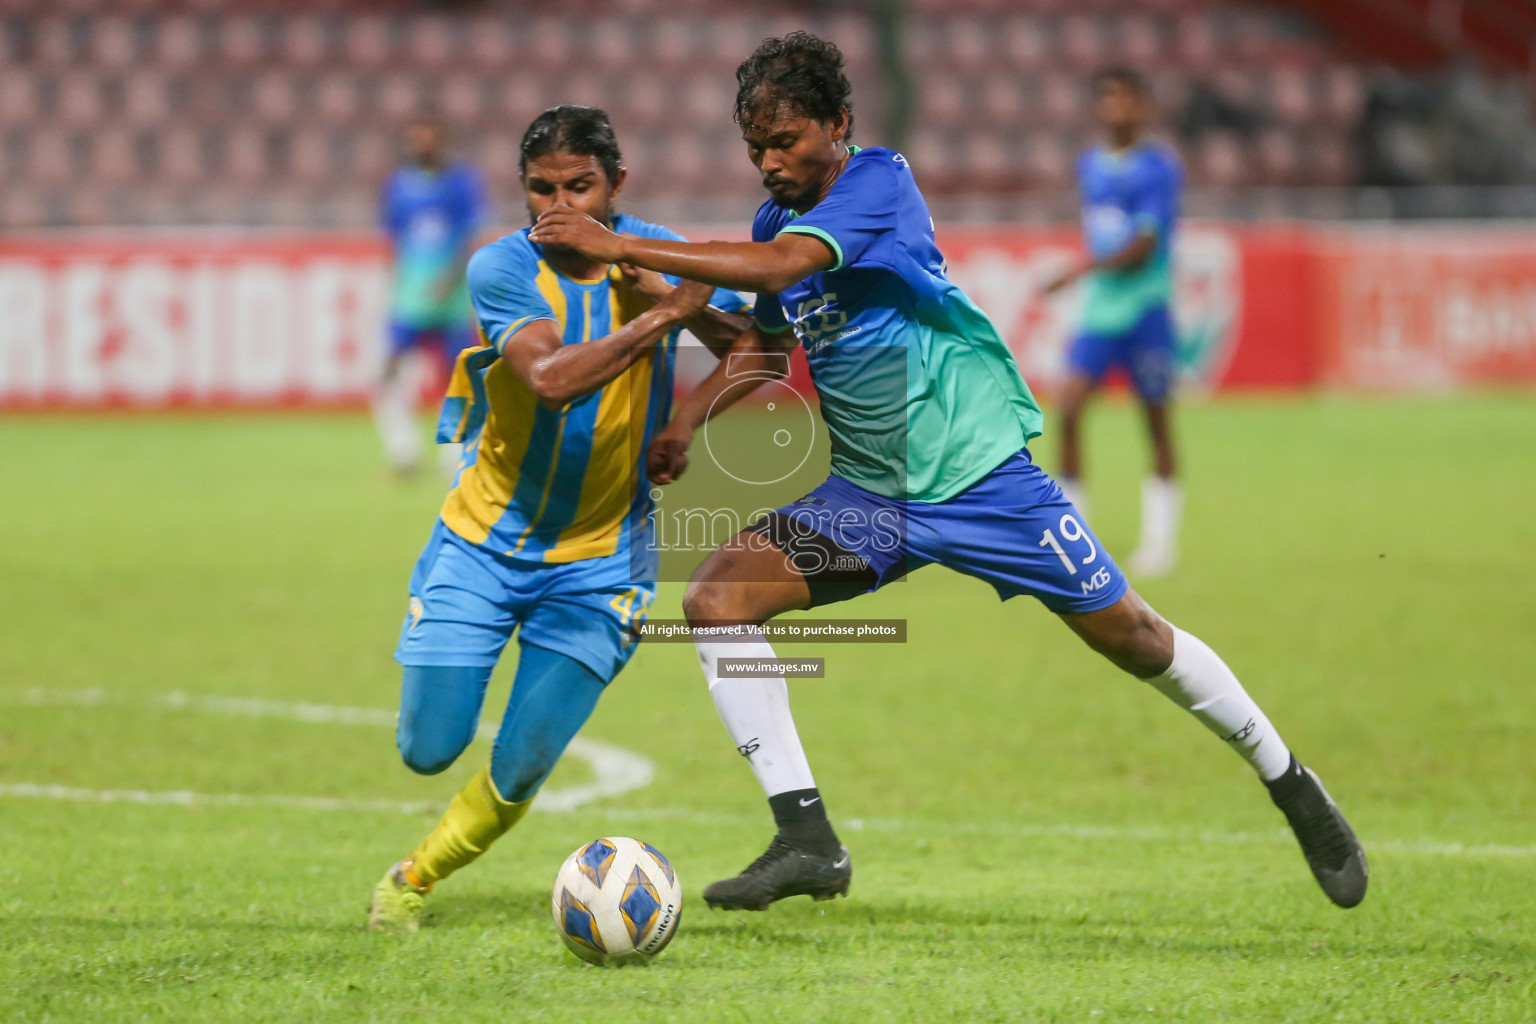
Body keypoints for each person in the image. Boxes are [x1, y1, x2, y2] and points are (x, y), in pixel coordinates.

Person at [530, 34, 1368, 913]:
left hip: (976, 480)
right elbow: (772, 342)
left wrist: (624, 248)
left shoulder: (878, 184)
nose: (770, 163)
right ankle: (806, 839)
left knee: (1137, 639)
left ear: (837, 124)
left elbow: (780, 270)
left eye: (785, 142)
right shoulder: (779, 218)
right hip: (868, 496)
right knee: (715, 601)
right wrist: (687, 421)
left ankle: (1291, 782)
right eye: (755, 147)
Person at [367, 105, 752, 932]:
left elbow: (759, 350)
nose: (559, 207)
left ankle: (414, 877)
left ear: (617, 184)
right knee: (427, 748)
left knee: (525, 757)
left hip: (604, 563)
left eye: (579, 187)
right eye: (541, 189)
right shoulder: (501, 268)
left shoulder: (659, 250)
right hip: (482, 543)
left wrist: (684, 423)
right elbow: (548, 380)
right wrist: (663, 315)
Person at [1042, 69, 1185, 577]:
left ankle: (1160, 541)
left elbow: (1145, 246)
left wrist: (1081, 269)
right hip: (1101, 313)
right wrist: (1090, 273)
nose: (1116, 107)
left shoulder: (1160, 168)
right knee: (1070, 408)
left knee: (1155, 419)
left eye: (1126, 97)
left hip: (1146, 308)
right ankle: (1075, 536)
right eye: (1107, 98)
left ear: (1144, 106)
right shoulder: (1091, 166)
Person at [375, 116, 489, 477]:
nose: (423, 145)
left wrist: (453, 277)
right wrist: (393, 286)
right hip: (410, 296)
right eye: (416, 138)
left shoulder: (461, 182)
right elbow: (395, 239)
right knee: (389, 370)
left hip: (452, 296)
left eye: (429, 137)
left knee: (459, 373)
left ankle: (455, 456)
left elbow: (469, 235)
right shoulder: (398, 185)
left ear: (442, 141)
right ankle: (403, 453)